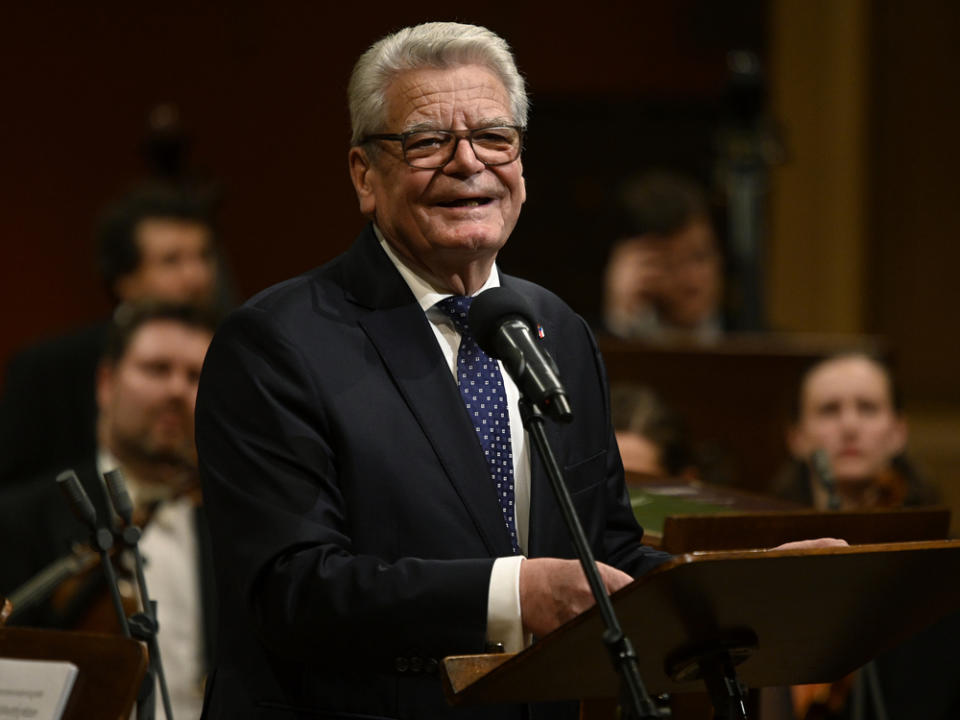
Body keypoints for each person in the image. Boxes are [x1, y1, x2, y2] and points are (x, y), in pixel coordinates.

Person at [0, 301, 218, 720]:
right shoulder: (20, 520)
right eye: (157, 369)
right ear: (105, 382)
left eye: (195, 376)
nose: (177, 390)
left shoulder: (231, 522)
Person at [0, 182, 227, 488]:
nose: (196, 277)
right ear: (124, 279)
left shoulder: (231, 358)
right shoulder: (47, 368)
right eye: (172, 260)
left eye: (203, 257)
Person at [774, 352, 936, 510]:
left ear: (898, 432)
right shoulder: (764, 533)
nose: (849, 426)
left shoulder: (940, 535)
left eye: (867, 408)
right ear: (796, 436)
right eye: (829, 410)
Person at [602, 172, 724, 342]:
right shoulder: (624, 336)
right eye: (671, 263)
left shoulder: (755, 333)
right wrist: (620, 319)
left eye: (700, 256)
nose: (693, 278)